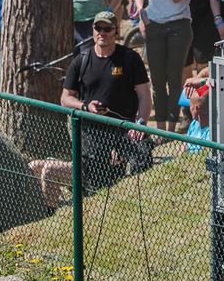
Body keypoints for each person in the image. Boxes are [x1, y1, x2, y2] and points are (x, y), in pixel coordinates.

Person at [30, 14, 150, 203]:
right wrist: (85, 106)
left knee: (142, 157)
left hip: (124, 130)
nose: (102, 33)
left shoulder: (129, 58)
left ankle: (59, 199)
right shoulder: (81, 60)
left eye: (107, 29)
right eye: (98, 28)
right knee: (35, 168)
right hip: (91, 133)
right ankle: (46, 211)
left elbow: (144, 94)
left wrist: (140, 124)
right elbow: (65, 98)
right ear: (92, 31)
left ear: (116, 31)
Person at [134, 0, 197, 129]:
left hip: (179, 25)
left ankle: (171, 127)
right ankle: (160, 128)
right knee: (157, 80)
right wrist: (141, 12)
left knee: (174, 78)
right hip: (154, 26)